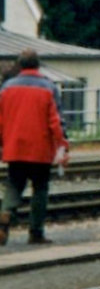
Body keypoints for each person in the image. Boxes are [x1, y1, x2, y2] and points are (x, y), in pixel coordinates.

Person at [0, 49, 69, 245]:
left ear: (20, 66)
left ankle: (5, 213)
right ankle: (35, 232)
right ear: (38, 65)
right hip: (40, 148)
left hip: (14, 146)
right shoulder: (48, 88)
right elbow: (55, 121)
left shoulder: (6, 88)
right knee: (40, 187)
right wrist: (63, 144)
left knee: (14, 184)